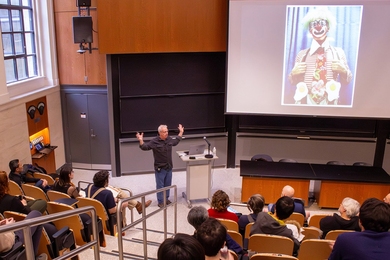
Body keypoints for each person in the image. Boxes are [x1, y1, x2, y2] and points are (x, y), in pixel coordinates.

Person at [288, 7, 352, 105]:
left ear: (328, 27)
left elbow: (347, 81)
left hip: (330, 103)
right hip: (305, 103)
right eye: (313, 24)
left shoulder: (339, 53)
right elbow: (292, 82)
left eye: (322, 23)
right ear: (310, 29)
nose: (318, 27)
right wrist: (293, 74)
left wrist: (344, 71)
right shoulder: (301, 55)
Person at [136, 124, 184, 208]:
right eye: (164, 132)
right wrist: (141, 140)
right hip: (160, 168)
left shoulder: (169, 139)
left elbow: (176, 141)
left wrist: (181, 132)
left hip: (169, 166)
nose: (166, 133)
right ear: (160, 133)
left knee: (168, 185)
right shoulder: (154, 141)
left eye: (167, 131)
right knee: (160, 185)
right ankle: (161, 201)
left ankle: (166, 199)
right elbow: (145, 147)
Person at [85, 170, 151, 227]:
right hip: (105, 218)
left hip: (92, 213)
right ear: (105, 181)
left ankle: (137, 205)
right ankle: (123, 226)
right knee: (122, 203)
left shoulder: (89, 186)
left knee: (118, 193)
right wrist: (123, 205)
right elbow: (112, 211)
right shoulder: (107, 193)